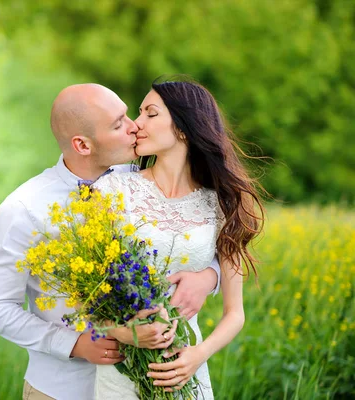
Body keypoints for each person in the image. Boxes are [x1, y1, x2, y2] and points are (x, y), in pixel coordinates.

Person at [0, 83, 222, 400]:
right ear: (82, 145)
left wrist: (209, 277)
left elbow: (189, 236)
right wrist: (75, 344)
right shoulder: (24, 208)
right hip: (62, 389)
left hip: (145, 382)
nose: (134, 126)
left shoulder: (139, 180)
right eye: (118, 123)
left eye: (129, 114)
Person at [92, 78, 265, 399]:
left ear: (184, 129)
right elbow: (85, 296)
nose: (136, 124)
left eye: (150, 114)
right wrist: (126, 333)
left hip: (186, 368)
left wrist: (197, 356)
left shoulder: (221, 203)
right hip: (122, 372)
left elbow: (235, 314)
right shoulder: (111, 192)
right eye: (139, 113)